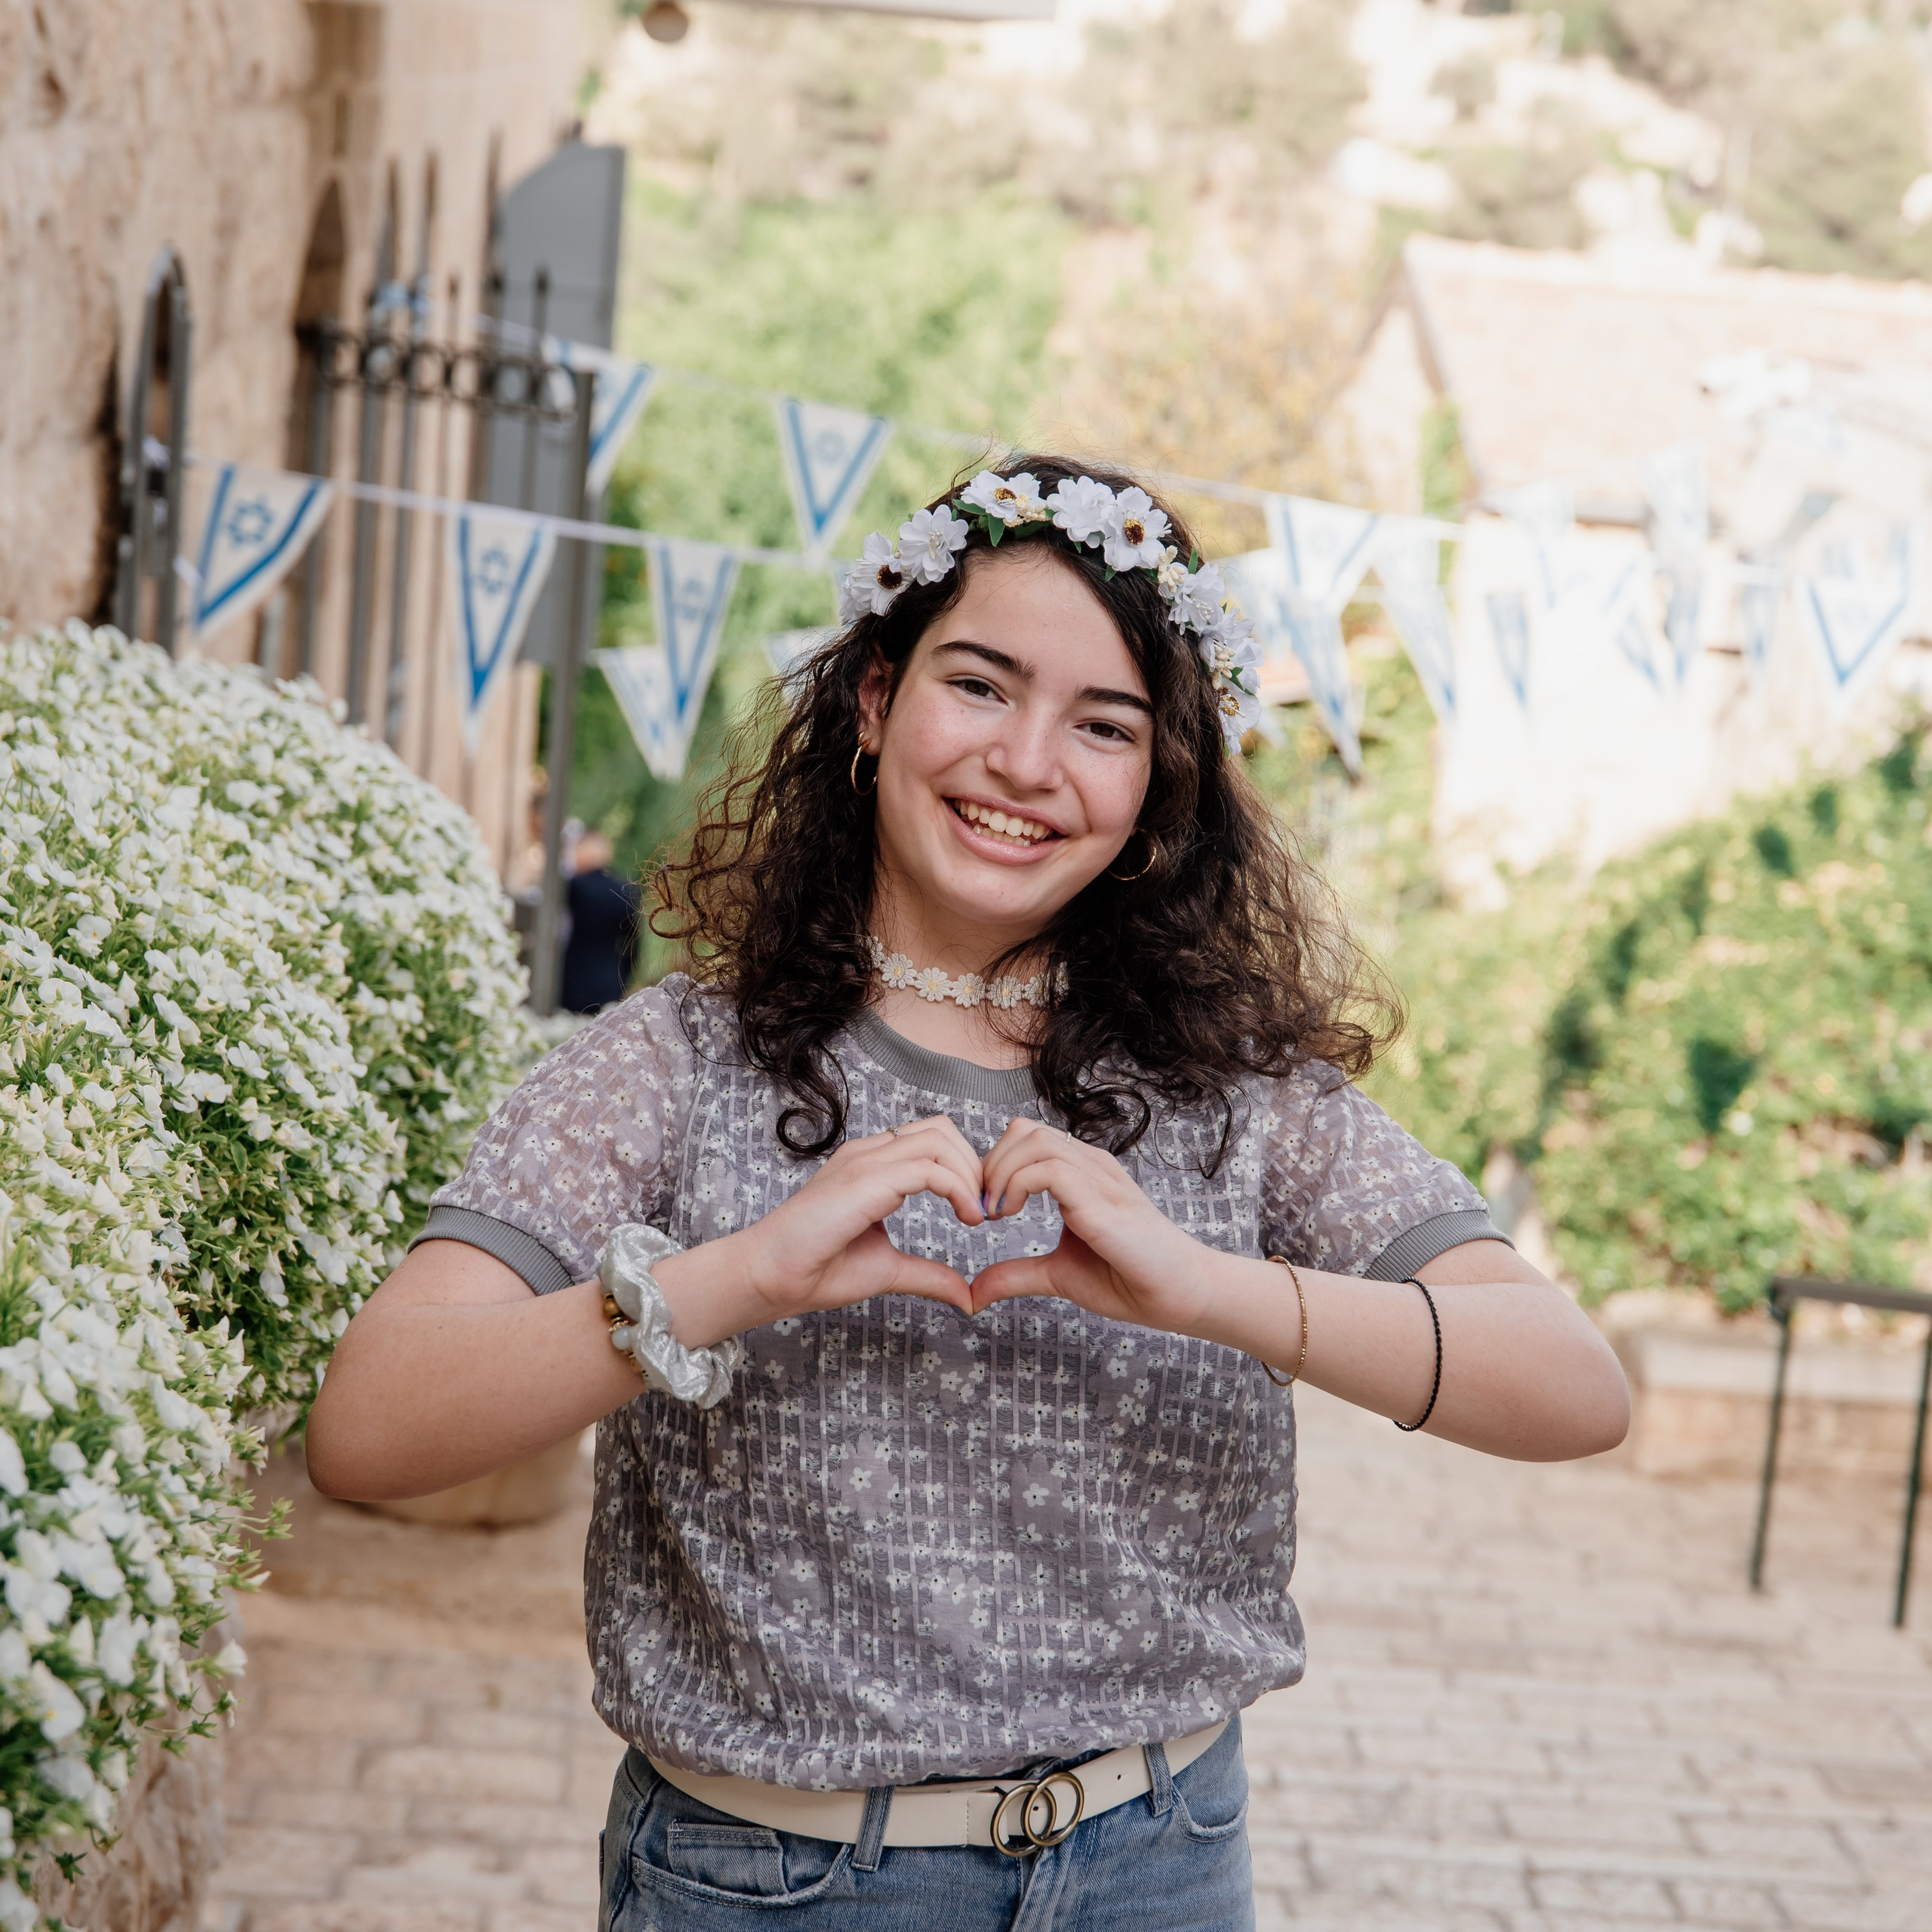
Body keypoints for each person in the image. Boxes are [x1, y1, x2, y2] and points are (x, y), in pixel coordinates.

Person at [306, 457, 1629, 1932]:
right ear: (874, 703)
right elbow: (369, 1424)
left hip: (1160, 1859)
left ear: (1153, 788)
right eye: (980, 685)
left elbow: (1573, 1386)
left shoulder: (1239, 1087)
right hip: (772, 1882)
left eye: (1103, 723)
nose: (1025, 760)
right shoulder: (674, 1060)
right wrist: (739, 1274)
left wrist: (1208, 1287)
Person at [560, 826, 642, 1014]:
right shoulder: (625, 891)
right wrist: (625, 973)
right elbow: (634, 942)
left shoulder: (574, 887)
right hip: (610, 978)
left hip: (573, 975)